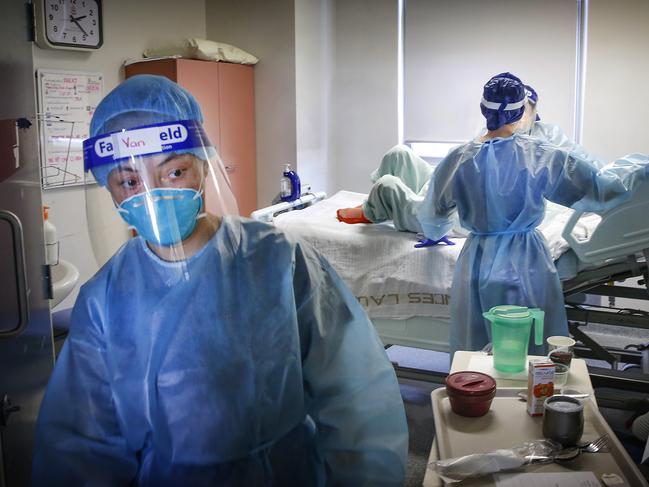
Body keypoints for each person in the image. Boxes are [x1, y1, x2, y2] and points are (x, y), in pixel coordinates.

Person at [32, 75, 408, 486]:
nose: (153, 194)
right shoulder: (104, 299)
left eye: (174, 172)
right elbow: (82, 446)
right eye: (129, 181)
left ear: (203, 167)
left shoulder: (278, 260)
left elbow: (355, 393)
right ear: (110, 191)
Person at [417, 72, 649, 357]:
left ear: (483, 109)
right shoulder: (541, 154)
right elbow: (600, 189)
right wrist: (638, 167)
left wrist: (434, 233)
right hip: (527, 261)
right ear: (521, 112)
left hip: (476, 262)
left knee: (475, 345)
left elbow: (432, 214)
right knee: (531, 345)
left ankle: (477, 394)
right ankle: (533, 396)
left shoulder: (458, 159)